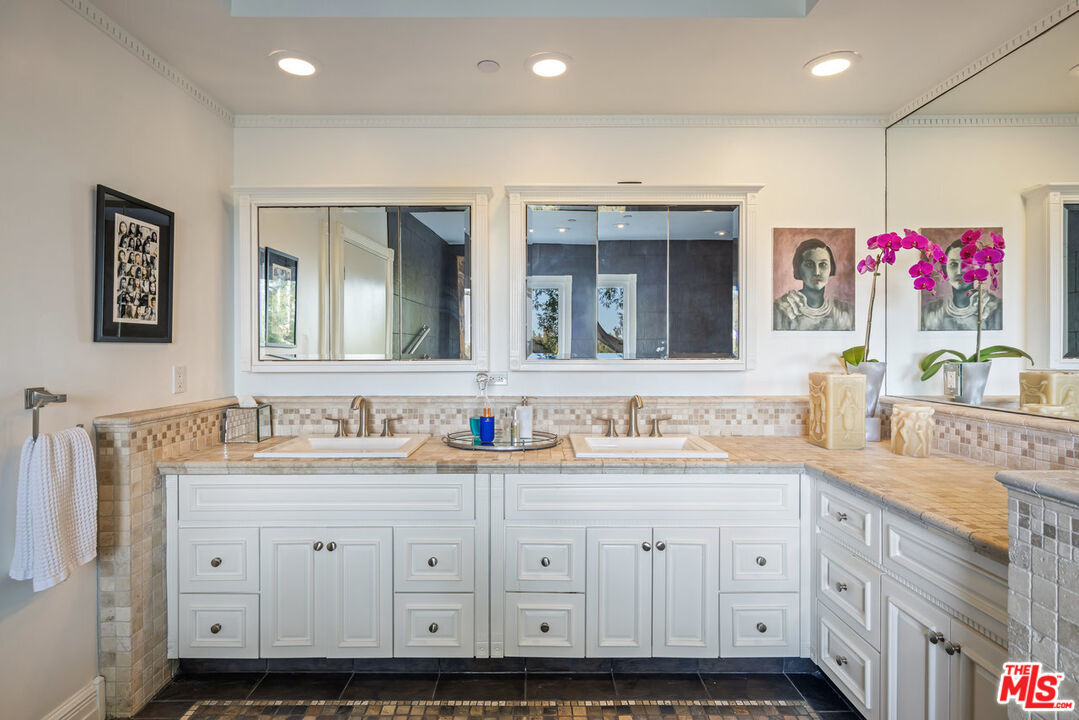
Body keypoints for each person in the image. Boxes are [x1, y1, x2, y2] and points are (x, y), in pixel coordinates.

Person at [773, 238, 854, 331]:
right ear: (798, 268)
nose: (817, 272)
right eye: (809, 264)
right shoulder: (782, 308)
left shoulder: (845, 311)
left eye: (823, 264)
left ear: (831, 268)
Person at [921, 239, 1002, 331]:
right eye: (953, 264)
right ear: (945, 269)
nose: (959, 271)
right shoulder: (931, 312)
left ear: (978, 268)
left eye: (966, 264)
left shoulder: (994, 309)